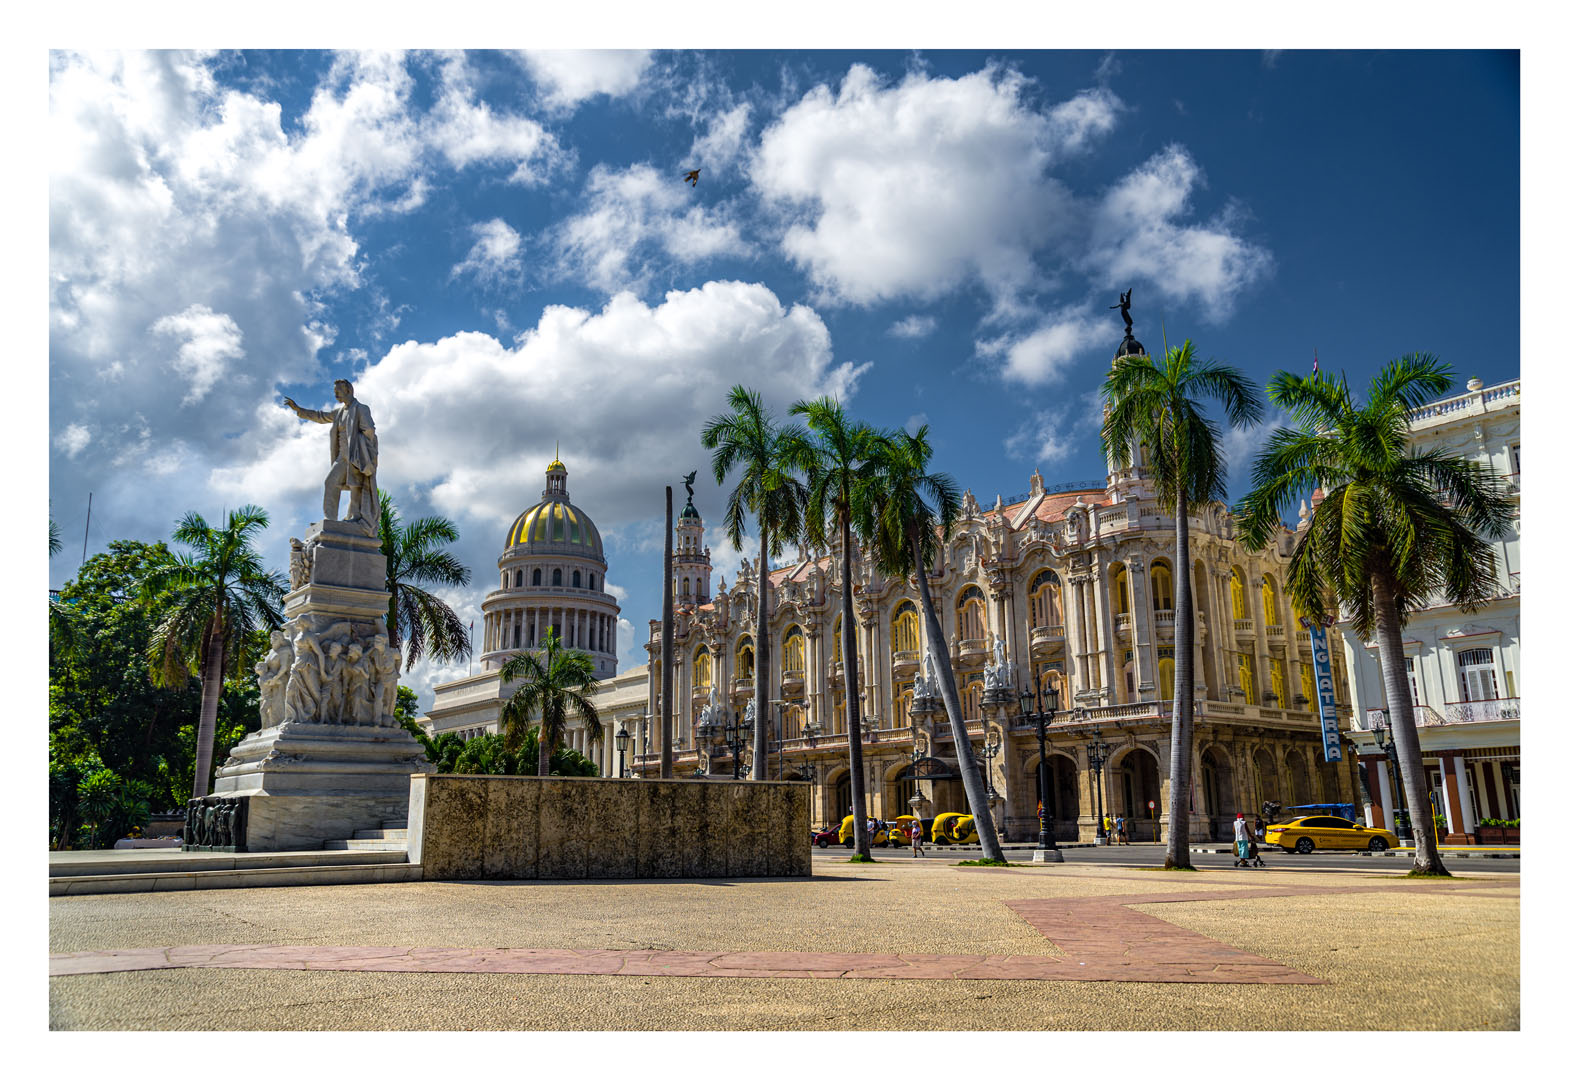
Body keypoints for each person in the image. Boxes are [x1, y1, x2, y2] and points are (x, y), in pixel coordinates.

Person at [283, 379, 379, 529]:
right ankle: (330, 519)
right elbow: (320, 416)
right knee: (331, 482)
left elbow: (369, 430)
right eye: (334, 392)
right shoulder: (339, 412)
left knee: (356, 487)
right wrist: (298, 409)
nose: (335, 395)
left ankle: (355, 516)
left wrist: (362, 450)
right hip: (342, 456)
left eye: (338, 392)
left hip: (356, 455)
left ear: (348, 391)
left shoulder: (361, 409)